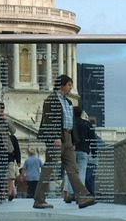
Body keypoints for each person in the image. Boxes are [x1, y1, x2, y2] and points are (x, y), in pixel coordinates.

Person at [32, 75, 96, 209]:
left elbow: (70, 122)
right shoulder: (51, 100)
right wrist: (55, 137)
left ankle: (82, 197)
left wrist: (73, 140)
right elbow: (50, 120)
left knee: (73, 169)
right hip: (57, 138)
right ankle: (39, 199)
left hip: (68, 138)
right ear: (61, 85)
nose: (71, 88)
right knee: (49, 169)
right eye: (69, 85)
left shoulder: (68, 102)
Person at [63, 106, 96, 203]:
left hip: (71, 151)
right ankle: (80, 194)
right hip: (83, 151)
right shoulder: (87, 124)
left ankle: (70, 194)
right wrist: (94, 152)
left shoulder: (69, 124)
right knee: (81, 173)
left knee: (71, 173)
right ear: (82, 113)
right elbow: (92, 139)